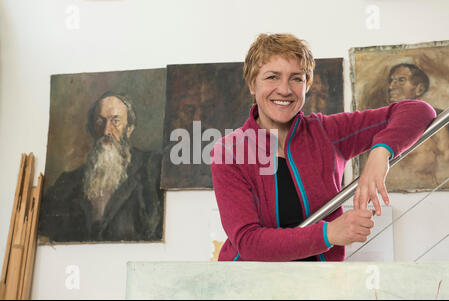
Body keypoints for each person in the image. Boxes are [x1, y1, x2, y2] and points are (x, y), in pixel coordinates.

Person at [210, 33, 436, 262]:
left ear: (306, 85)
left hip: (320, 285)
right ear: (252, 84)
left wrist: (380, 153)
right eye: (272, 77)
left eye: (296, 78)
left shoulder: (327, 132)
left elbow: (419, 111)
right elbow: (249, 244)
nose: (285, 90)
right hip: (249, 286)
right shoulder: (229, 152)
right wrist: (329, 234)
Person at [39, 91, 163, 242]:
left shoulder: (151, 168)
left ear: (129, 129)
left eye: (115, 121)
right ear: (92, 128)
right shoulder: (69, 182)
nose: (106, 131)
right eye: (100, 121)